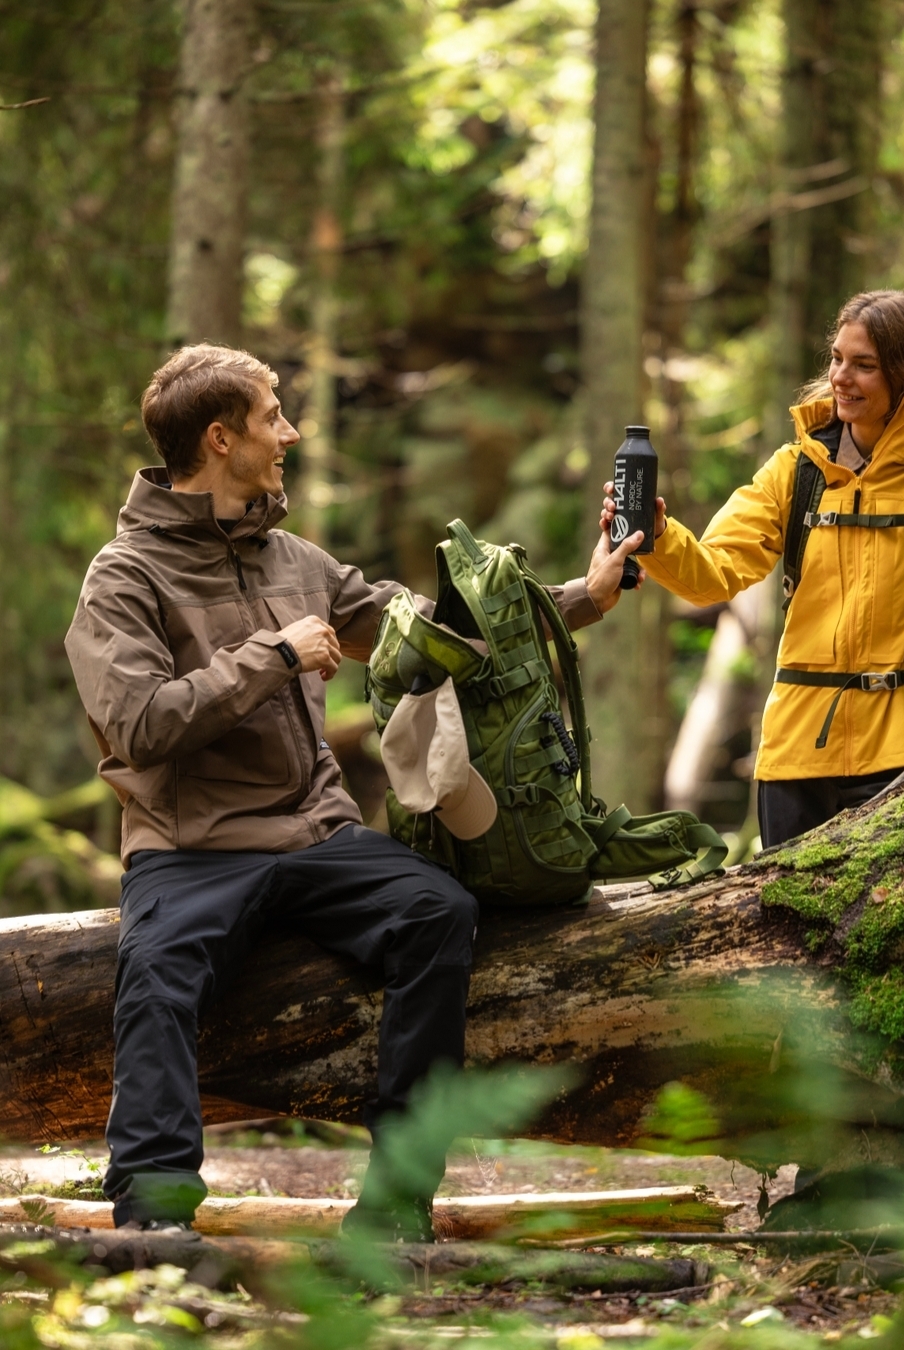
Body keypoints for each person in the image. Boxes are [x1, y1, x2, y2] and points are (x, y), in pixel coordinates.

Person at [65, 343, 643, 1238]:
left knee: (439, 911)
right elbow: (139, 723)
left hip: (318, 837)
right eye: (272, 417)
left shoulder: (295, 558)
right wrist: (274, 654)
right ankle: (153, 1218)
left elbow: (433, 635)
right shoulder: (124, 576)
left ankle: (397, 1206)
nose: (290, 433)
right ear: (220, 439)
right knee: (153, 978)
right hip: (192, 851)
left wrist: (582, 598)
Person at [601, 291, 904, 849]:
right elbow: (711, 575)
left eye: (864, 365)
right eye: (837, 358)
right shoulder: (797, 468)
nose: (841, 377)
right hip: (795, 759)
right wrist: (656, 535)